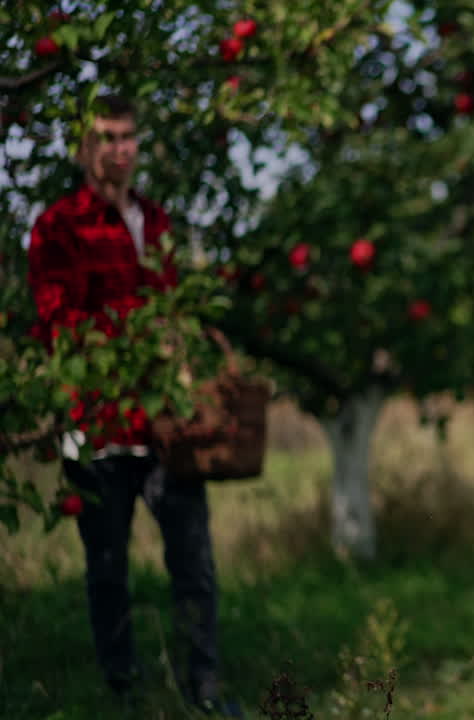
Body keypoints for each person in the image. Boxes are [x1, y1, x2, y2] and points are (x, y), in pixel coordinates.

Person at [26, 95, 242, 717]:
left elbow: (177, 311)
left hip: (165, 427)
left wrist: (181, 348)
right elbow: (57, 325)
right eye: (107, 137)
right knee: (106, 567)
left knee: (195, 562)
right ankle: (121, 688)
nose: (119, 148)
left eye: (128, 137)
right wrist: (144, 341)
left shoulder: (158, 220)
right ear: (84, 147)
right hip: (93, 424)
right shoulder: (58, 225)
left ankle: (204, 688)